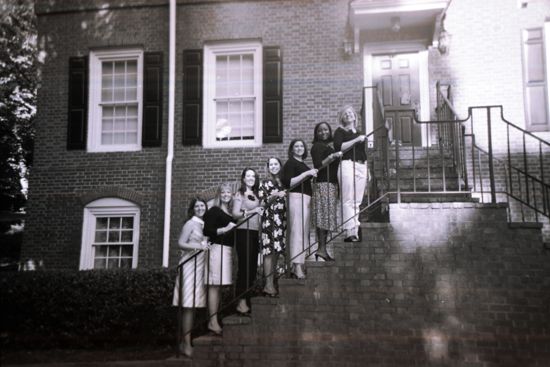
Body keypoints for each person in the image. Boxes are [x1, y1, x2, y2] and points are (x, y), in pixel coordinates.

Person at [172, 197, 209, 358]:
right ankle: (186, 344)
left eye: (202, 205)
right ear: (193, 209)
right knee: (187, 306)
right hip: (188, 266)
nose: (200, 208)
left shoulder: (204, 225)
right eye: (197, 206)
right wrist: (199, 246)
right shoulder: (190, 224)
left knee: (193, 306)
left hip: (201, 267)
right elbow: (180, 243)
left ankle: (186, 342)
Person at [203, 183, 237, 335]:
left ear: (231, 194)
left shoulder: (230, 213)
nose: (225, 194)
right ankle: (212, 321)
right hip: (216, 250)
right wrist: (225, 229)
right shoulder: (214, 210)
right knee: (214, 286)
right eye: (223, 192)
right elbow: (207, 230)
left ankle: (214, 319)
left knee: (219, 286)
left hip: (227, 251)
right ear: (219, 194)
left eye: (228, 192)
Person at [282, 139, 318, 279]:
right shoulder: (291, 163)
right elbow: (289, 182)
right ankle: (297, 266)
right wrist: (307, 174)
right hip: (296, 198)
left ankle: (297, 264)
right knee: (297, 232)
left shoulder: (302, 163)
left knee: (302, 233)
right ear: (291, 149)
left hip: (305, 198)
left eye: (301, 146)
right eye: (296, 146)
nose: (299, 148)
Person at [334, 105, 368, 242]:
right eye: (345, 113)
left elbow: (363, 152)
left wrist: (367, 169)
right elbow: (339, 147)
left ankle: (355, 230)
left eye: (350, 113)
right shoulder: (340, 131)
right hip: (347, 164)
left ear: (355, 116)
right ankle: (349, 231)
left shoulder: (359, 132)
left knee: (357, 201)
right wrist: (356, 140)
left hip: (361, 165)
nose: (348, 114)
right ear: (342, 117)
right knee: (347, 199)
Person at [232, 168, 264, 315]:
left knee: (251, 268)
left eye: (253, 176)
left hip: (254, 233)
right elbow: (235, 214)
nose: (251, 178)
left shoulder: (257, 194)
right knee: (244, 266)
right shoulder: (240, 194)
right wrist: (252, 211)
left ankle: (247, 299)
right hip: (243, 232)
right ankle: (241, 302)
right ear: (243, 178)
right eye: (248, 175)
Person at [311, 122, 342, 260]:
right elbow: (318, 166)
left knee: (327, 218)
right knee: (323, 217)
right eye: (320, 130)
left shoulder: (329, 146)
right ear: (316, 134)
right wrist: (332, 157)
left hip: (331, 184)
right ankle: (321, 249)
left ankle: (322, 249)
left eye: (326, 130)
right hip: (324, 184)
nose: (323, 132)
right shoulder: (317, 147)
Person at [258, 157, 286, 297]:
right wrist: (275, 195)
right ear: (268, 167)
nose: (273, 166)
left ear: (280, 166)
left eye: (276, 164)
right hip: (269, 220)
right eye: (271, 164)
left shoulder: (282, 182)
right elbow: (262, 203)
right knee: (269, 252)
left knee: (276, 252)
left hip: (281, 221)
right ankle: (268, 285)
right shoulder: (264, 183)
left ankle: (271, 283)